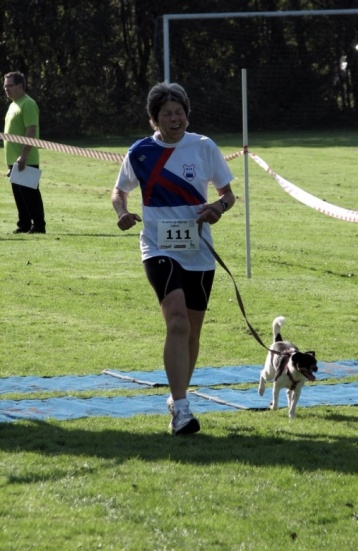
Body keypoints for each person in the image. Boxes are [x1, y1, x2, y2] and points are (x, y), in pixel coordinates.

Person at [112, 82, 235, 435]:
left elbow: (228, 194)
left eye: (179, 112)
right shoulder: (139, 153)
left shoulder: (203, 146)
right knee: (177, 322)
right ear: (154, 120)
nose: (175, 118)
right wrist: (121, 210)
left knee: (192, 331)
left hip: (198, 250)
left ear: (187, 114)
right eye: (167, 114)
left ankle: (176, 394)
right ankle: (181, 409)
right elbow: (119, 189)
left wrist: (217, 207)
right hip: (158, 246)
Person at [3, 71, 46, 234]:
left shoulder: (28, 104)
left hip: (26, 159)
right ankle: (24, 224)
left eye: (10, 86)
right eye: (4, 86)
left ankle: (39, 225)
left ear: (20, 86)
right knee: (19, 195)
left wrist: (23, 155)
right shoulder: (13, 104)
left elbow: (31, 130)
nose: (6, 89)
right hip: (14, 159)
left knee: (30, 194)